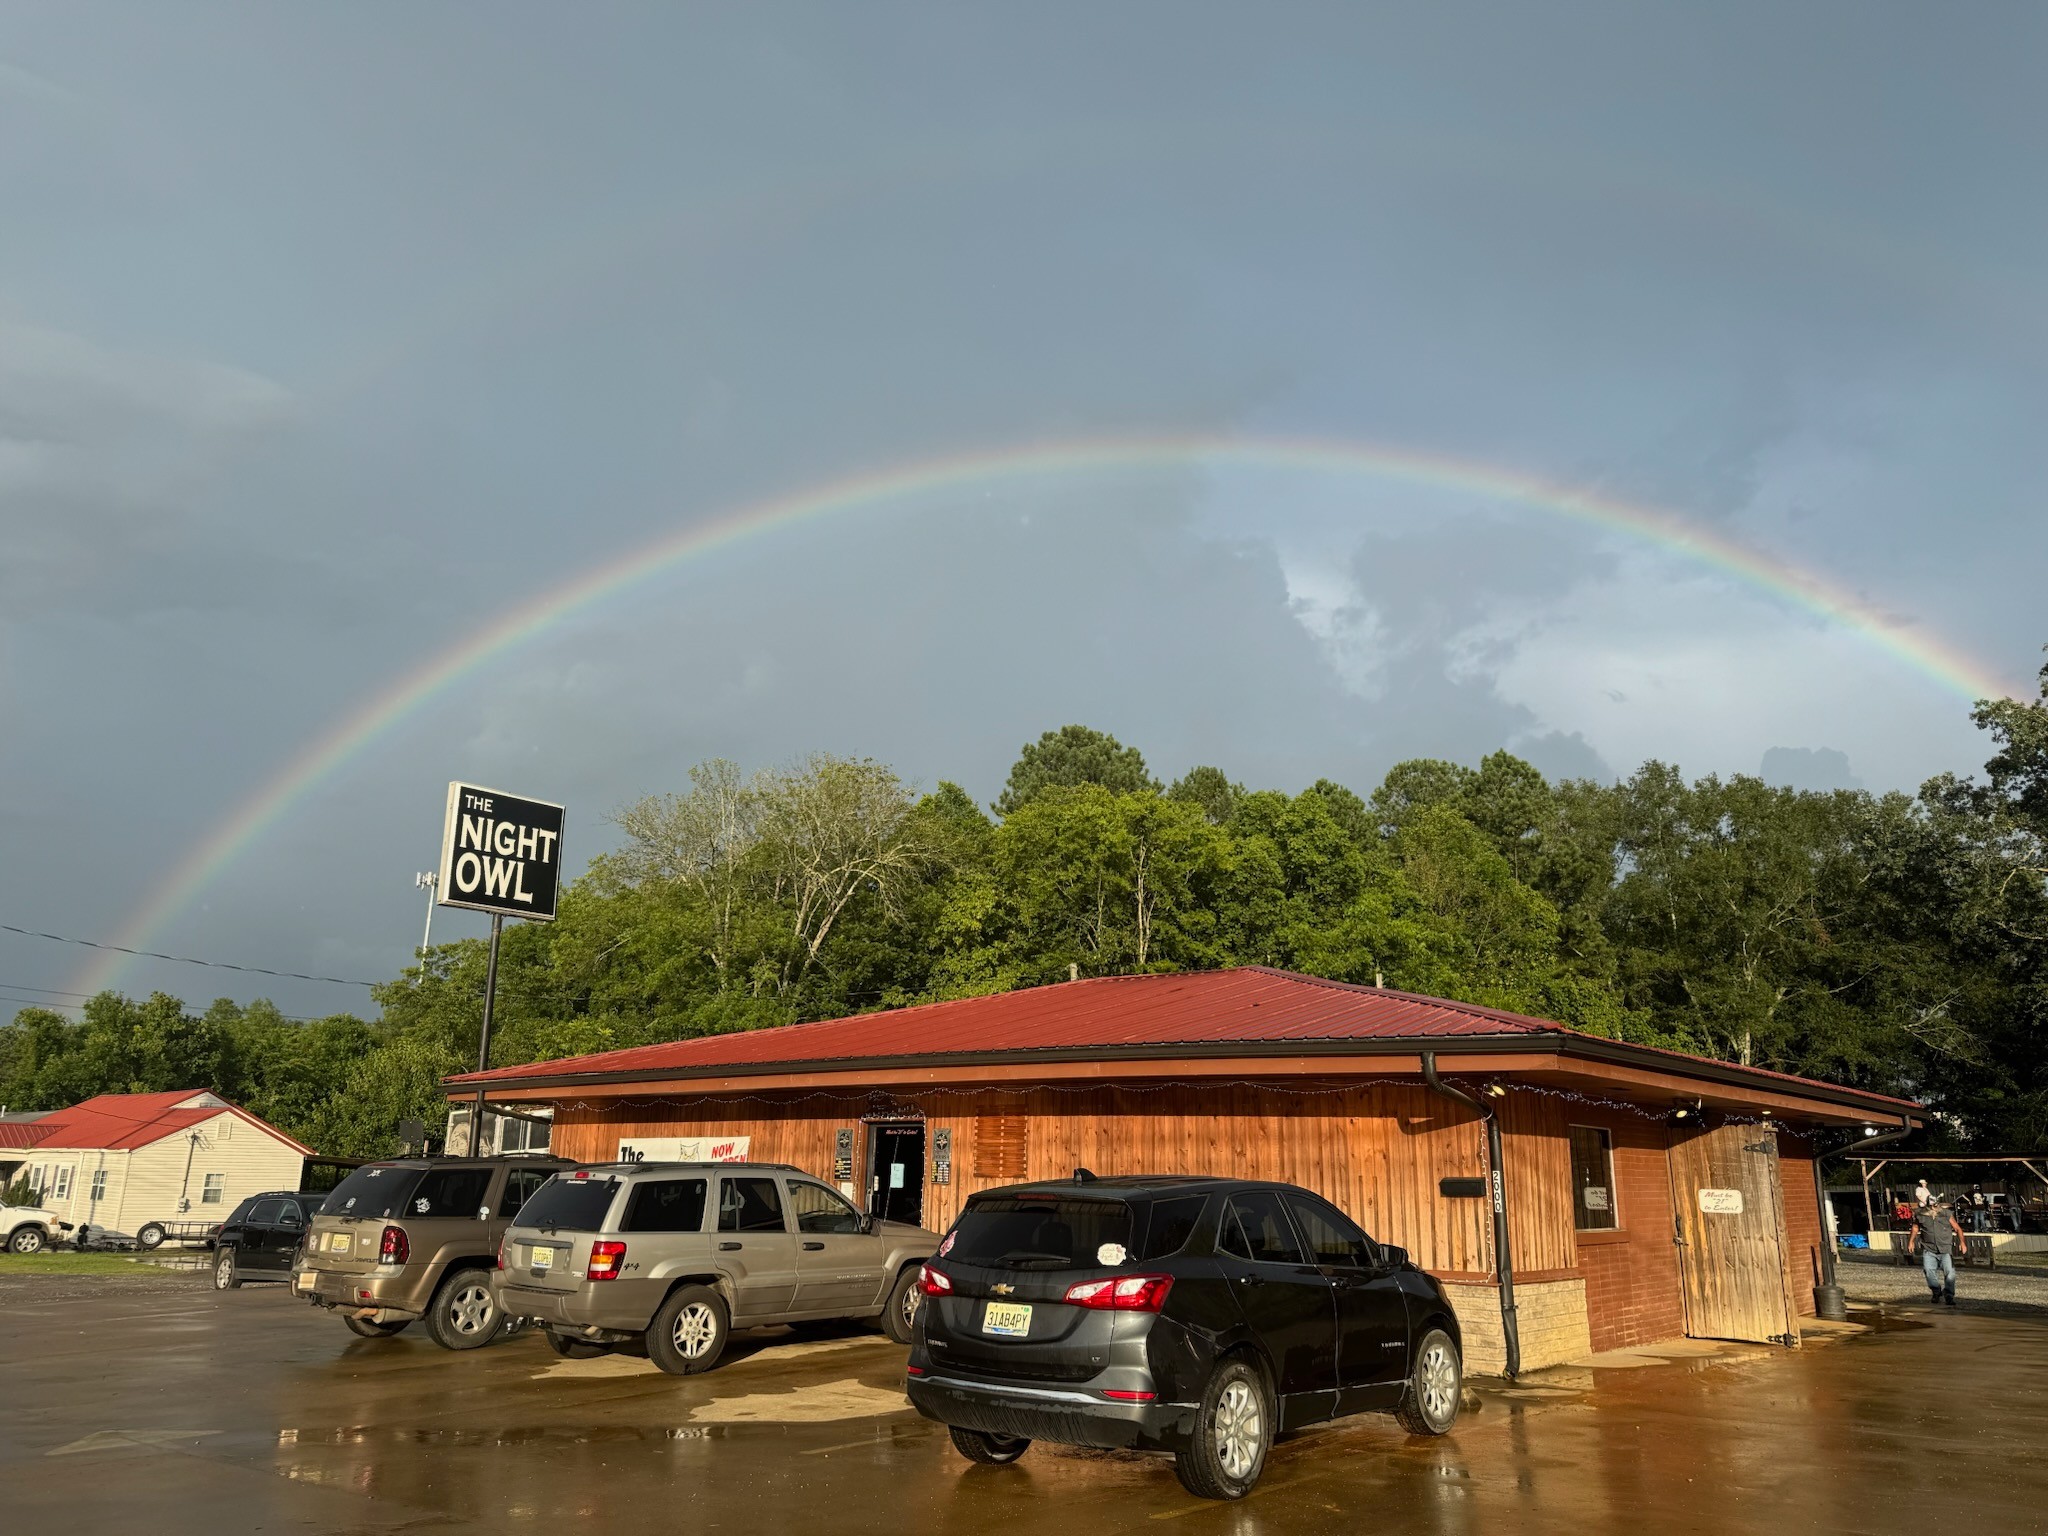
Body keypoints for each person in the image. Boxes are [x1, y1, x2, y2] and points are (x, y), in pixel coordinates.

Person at [1909, 1197, 1968, 1307]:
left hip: (1945, 1249)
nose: (1934, 1208)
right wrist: (1911, 1241)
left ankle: (1949, 1295)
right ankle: (1936, 1291)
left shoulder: (1946, 1214)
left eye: (1936, 1206)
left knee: (1950, 1273)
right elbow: (1915, 1228)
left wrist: (1962, 1243)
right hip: (1929, 1248)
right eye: (1931, 1206)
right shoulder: (1921, 1215)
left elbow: (1957, 1228)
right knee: (1928, 1271)